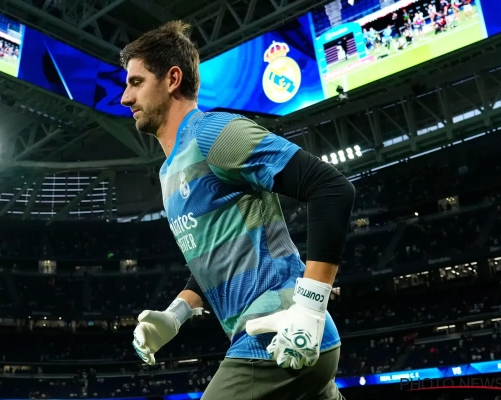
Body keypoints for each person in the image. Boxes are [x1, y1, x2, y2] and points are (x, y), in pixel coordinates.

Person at [120, 21, 355, 400]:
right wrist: (176, 315)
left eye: (136, 82)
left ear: (172, 79)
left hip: (276, 332)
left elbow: (331, 188)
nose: (124, 98)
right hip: (290, 344)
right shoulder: (169, 172)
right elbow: (215, 255)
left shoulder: (213, 133)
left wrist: (310, 308)